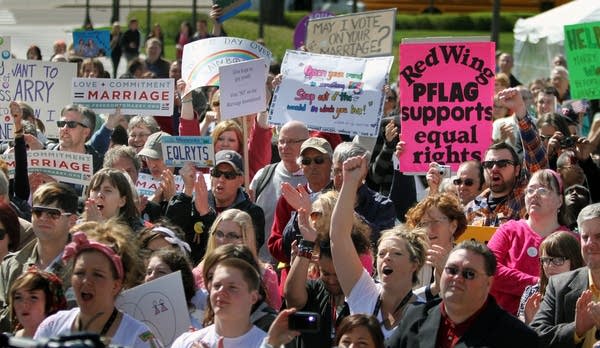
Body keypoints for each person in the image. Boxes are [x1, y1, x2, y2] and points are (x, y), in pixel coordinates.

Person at [330, 154, 428, 340]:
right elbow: (338, 236)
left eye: (396, 253)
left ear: (414, 264)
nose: (386, 258)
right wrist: (350, 182)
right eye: (382, 253)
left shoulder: (425, 313)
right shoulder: (365, 293)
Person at [387, 240, 539, 347]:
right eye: (451, 270)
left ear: (488, 283)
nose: (457, 278)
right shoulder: (415, 316)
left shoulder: (517, 338)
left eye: (469, 274)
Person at [34, 225, 160, 347]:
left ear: (116, 285)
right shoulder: (51, 327)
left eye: (97, 275)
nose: (86, 281)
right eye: (80, 273)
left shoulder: (138, 338)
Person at [284, 190, 371, 348]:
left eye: (337, 275)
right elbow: (293, 298)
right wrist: (307, 243)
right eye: (326, 273)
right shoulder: (315, 289)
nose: (331, 280)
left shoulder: (367, 296)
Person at [487, 169, 571, 315]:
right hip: (502, 321)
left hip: (552, 324)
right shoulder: (509, 230)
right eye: (530, 189)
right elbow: (487, 268)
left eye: (543, 189)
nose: (534, 194)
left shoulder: (571, 239)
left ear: (560, 201)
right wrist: (537, 284)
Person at [0, 182, 79, 332]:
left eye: (53, 214)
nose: (43, 218)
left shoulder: (85, 267)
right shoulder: (11, 265)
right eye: (37, 212)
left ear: (72, 220)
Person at [466, 87, 548, 226]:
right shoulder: (471, 209)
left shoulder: (526, 197)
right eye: (489, 164)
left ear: (517, 170)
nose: (494, 168)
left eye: (503, 163)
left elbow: (535, 159)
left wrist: (520, 110)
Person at [166, 151, 265, 263]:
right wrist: (187, 190)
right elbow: (171, 232)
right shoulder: (195, 201)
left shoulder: (252, 213)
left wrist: (206, 214)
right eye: (217, 173)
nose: (221, 179)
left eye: (229, 175)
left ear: (240, 180)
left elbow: (246, 252)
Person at [530, 203, 600, 348]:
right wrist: (577, 329)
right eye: (585, 237)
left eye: (599, 237)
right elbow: (535, 337)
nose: (590, 244)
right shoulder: (559, 285)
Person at [192, 209, 280, 310]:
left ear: (246, 239)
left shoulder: (266, 276)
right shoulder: (197, 274)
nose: (223, 240)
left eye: (232, 235)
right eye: (219, 234)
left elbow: (273, 320)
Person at [172, 258, 267, 347]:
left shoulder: (266, 344)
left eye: (232, 287)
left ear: (253, 297)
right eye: (217, 285)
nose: (221, 291)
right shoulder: (186, 342)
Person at [250, 120, 309, 263]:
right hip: (262, 266)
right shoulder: (263, 175)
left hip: (297, 268)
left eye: (292, 141)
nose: (284, 147)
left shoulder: (315, 180)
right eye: (281, 141)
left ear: (307, 143)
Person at [405, 193, 468, 300]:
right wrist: (433, 288)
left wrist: (447, 272)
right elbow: (402, 301)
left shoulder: (467, 261)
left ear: (453, 226)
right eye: (424, 223)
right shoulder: (412, 259)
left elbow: (467, 301)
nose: (429, 229)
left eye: (435, 222)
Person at [517, 231, 584, 324]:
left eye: (558, 259)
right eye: (546, 260)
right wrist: (529, 322)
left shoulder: (587, 290)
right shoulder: (532, 293)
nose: (550, 265)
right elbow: (520, 335)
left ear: (574, 260)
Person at [144, 249, 202, 328]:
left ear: (180, 278)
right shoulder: (138, 322)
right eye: (149, 272)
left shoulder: (197, 323)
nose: (151, 276)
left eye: (161, 272)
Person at [8, 266, 67, 337]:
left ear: (51, 304)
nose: (24, 304)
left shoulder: (61, 343)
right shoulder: (8, 341)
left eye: (33, 297)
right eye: (18, 297)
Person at [82, 168, 143, 232]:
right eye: (96, 189)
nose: (99, 195)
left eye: (107, 190)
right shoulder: (76, 226)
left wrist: (96, 227)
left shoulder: (136, 231)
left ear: (122, 201)